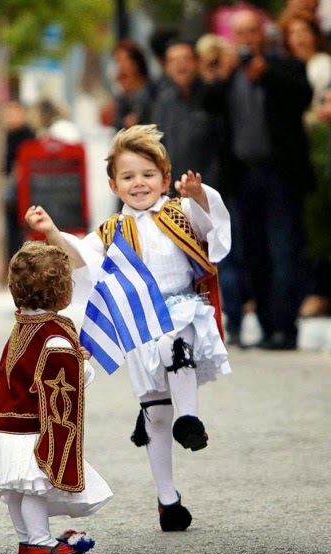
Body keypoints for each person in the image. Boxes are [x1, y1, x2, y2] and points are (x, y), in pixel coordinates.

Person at [25, 124, 231, 532]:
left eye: (148, 175)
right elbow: (81, 260)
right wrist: (51, 232)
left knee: (177, 338)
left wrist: (199, 195)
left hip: (181, 308)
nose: (139, 184)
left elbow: (214, 228)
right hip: (138, 325)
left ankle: (189, 418)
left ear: (165, 178)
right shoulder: (111, 231)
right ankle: (167, 499)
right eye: (129, 176)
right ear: (113, 185)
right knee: (155, 411)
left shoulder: (180, 213)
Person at [0, 241, 112, 554]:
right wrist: (83, 365)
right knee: (33, 487)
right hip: (29, 424)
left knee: (17, 488)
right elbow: (67, 383)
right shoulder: (54, 331)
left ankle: (28, 537)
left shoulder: (24, 321)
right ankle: (39, 541)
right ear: (63, 293)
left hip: (4, 417)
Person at [207, 7, 314, 349]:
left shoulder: (283, 65)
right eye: (240, 34)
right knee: (253, 255)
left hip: (280, 176)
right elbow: (208, 104)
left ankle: (285, 328)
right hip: (242, 178)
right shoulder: (230, 75)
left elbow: (303, 96)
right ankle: (267, 327)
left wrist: (266, 74)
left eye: (252, 32)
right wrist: (222, 76)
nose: (247, 40)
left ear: (263, 34)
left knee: (284, 251)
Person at [278, 8, 331, 316]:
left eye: (304, 32)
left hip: (320, 147)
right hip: (299, 154)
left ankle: (321, 291)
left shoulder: (322, 66)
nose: (298, 39)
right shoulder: (286, 67)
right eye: (292, 33)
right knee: (305, 224)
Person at [152, 38, 223, 192]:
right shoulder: (164, 101)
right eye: (173, 60)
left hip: (210, 190)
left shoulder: (213, 95)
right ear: (167, 67)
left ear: (197, 63)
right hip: (174, 190)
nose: (180, 65)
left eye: (185, 59)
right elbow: (158, 144)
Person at [2, 100, 35, 262]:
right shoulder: (3, 136)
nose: (10, 117)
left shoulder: (29, 135)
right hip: (11, 192)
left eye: (14, 112)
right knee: (12, 231)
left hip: (27, 190)